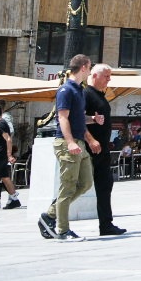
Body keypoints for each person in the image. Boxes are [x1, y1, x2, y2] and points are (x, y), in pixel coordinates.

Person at [39, 53, 98, 240]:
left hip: (79, 142)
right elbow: (62, 118)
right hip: (67, 143)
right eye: (89, 67)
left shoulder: (79, 90)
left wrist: (93, 119)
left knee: (86, 183)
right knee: (68, 186)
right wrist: (70, 141)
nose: (89, 71)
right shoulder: (66, 90)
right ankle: (62, 229)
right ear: (83, 67)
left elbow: (77, 117)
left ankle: (50, 214)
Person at [84, 64, 125, 236]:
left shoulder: (100, 95)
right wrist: (91, 139)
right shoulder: (86, 94)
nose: (109, 79)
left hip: (101, 150)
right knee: (78, 185)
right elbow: (76, 119)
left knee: (105, 184)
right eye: (106, 76)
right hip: (89, 149)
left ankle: (106, 225)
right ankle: (50, 216)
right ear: (94, 76)